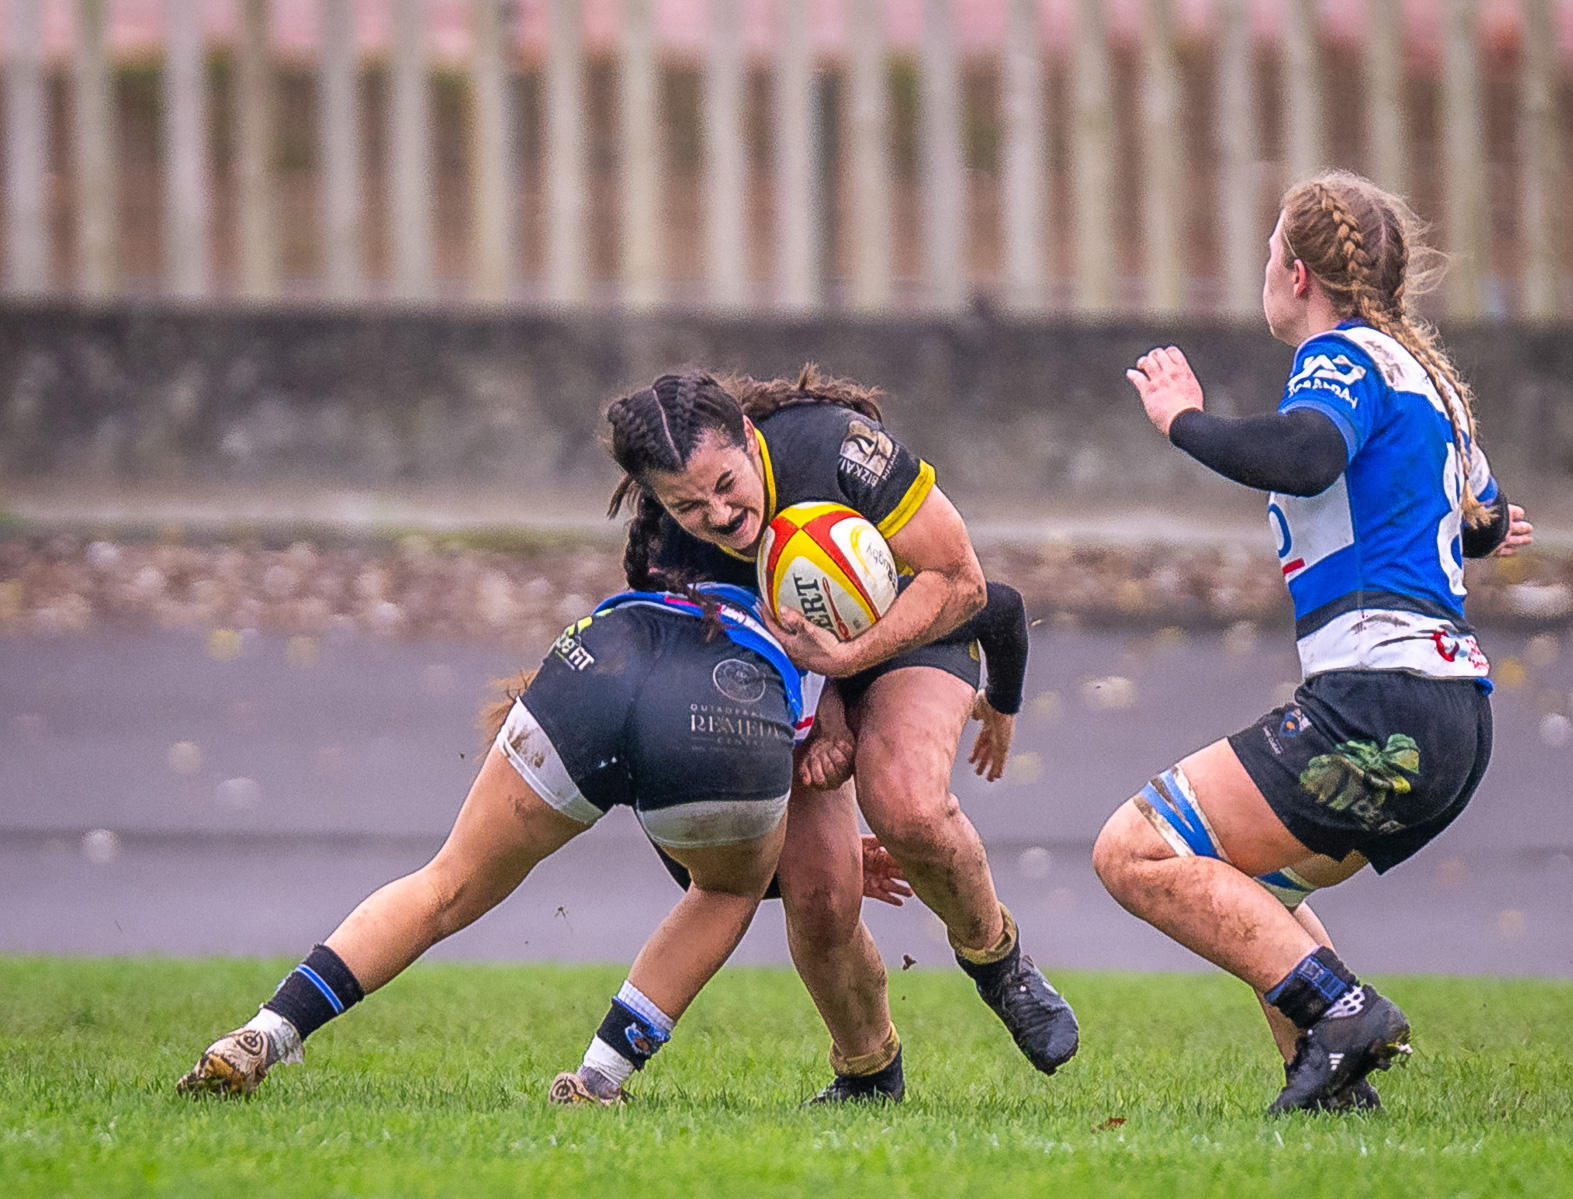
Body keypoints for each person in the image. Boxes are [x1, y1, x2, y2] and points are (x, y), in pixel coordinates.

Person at [1091, 170, 1534, 1114]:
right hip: (1453, 718)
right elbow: (1484, 516)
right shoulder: (1432, 381)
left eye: (1265, 252)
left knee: (1135, 850)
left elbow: (1309, 453)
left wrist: (1184, 422)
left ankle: (1342, 1013)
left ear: (1297, 275)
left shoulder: (1341, 359)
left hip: (1376, 705)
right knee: (1252, 888)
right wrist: (1487, 530)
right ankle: (1334, 1084)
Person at [176, 581, 903, 1105]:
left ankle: (262, 1033)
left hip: (592, 660)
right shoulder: (814, 641)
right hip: (718, 706)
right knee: (723, 890)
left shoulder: (674, 548)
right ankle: (597, 1079)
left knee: (445, 884)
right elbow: (775, 812)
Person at [604, 367, 1079, 1078]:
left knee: (907, 806)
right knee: (822, 891)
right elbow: (689, 733)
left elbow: (967, 585)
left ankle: (998, 962)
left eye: (726, 484)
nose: (719, 514)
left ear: (747, 435)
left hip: (917, 622)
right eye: (689, 505)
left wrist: (848, 666)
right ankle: (868, 1070)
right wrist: (805, 745)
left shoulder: (838, 449)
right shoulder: (668, 561)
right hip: (790, 684)